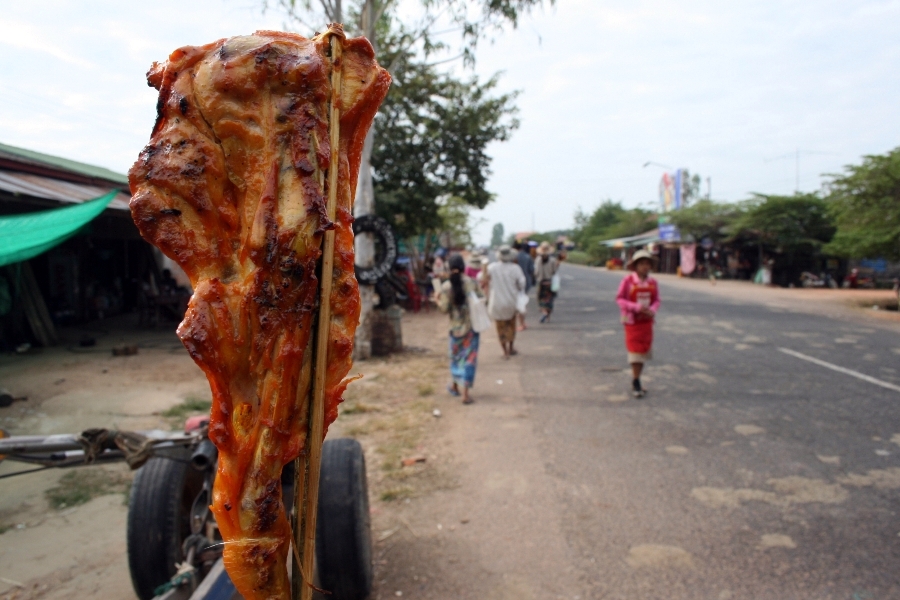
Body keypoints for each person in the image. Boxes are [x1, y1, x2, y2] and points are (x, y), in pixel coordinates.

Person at [615, 249, 660, 399]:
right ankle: (636, 381)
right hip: (631, 321)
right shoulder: (627, 281)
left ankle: (637, 378)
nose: (645, 267)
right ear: (635, 266)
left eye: (647, 263)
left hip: (646, 322)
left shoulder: (653, 282)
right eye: (641, 264)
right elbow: (620, 299)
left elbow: (657, 300)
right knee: (635, 353)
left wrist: (652, 310)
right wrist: (637, 307)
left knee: (643, 352)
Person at [437, 254, 481, 404]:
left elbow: (444, 309)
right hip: (471, 328)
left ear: (449, 268)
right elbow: (481, 299)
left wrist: (437, 299)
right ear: (463, 267)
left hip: (455, 329)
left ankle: (455, 387)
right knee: (469, 360)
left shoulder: (446, 286)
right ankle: (465, 395)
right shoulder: (472, 283)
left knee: (456, 358)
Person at [484, 245, 526, 359]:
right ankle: (511, 348)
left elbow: (483, 278)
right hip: (511, 302)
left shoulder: (492, 268)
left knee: (500, 328)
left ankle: (505, 351)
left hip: (497, 303)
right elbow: (522, 284)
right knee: (511, 326)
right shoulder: (516, 268)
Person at [534, 241, 559, 323]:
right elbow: (554, 271)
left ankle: (544, 312)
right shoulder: (552, 260)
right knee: (550, 300)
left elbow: (536, 272)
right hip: (550, 282)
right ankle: (548, 317)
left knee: (541, 300)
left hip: (541, 282)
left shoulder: (538, 260)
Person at [513, 242, 535, 331]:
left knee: (518, 304)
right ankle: (522, 323)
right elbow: (532, 270)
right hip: (526, 282)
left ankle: (521, 323)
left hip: (515, 283)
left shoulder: (514, 257)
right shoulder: (528, 257)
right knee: (521, 302)